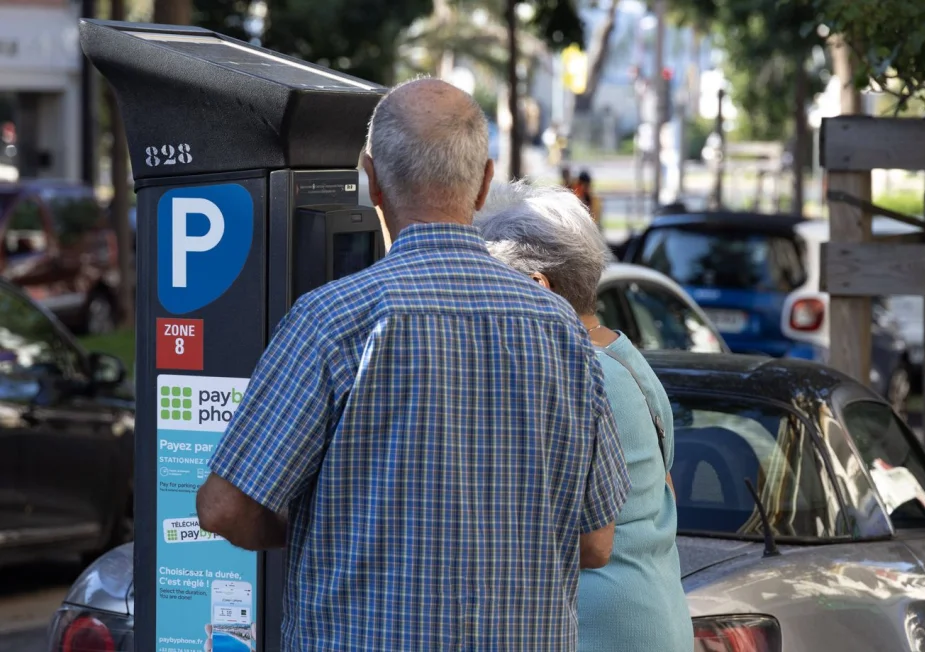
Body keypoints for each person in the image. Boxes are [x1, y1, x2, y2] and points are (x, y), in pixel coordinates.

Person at [195, 78, 630, 651]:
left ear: (370, 179)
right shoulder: (561, 330)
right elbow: (596, 543)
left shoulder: (332, 321)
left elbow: (224, 509)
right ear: (483, 184)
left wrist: (314, 527)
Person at [477, 181, 694, 652]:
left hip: (600, 629)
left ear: (539, 287)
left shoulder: (576, 376)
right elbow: (661, 490)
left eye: (493, 286)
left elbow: (589, 542)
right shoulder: (624, 358)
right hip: (656, 615)